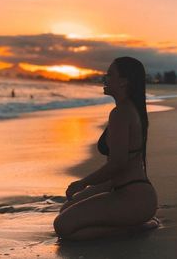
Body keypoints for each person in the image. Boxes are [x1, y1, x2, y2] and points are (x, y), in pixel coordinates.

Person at [53, 56, 158, 241]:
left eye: (110, 74)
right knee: (65, 209)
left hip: (133, 196)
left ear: (124, 81)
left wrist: (82, 183)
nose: (105, 78)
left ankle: (137, 227)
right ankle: (133, 221)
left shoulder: (121, 113)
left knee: (63, 227)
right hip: (124, 189)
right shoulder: (129, 109)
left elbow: (118, 163)